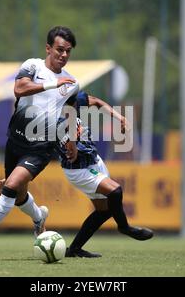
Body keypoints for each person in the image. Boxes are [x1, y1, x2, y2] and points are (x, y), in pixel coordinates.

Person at [0, 26, 79, 248]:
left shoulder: (72, 83)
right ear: (48, 48)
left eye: (68, 51)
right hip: (15, 141)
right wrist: (53, 83)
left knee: (12, 185)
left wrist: (71, 141)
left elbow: (70, 113)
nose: (64, 55)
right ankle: (38, 217)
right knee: (18, 195)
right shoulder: (32, 65)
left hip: (42, 147)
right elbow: (19, 89)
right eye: (60, 49)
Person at [57, 91, 154, 257]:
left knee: (105, 209)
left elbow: (97, 101)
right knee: (115, 191)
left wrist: (120, 118)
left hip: (94, 161)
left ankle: (74, 250)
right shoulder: (50, 115)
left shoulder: (76, 100)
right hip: (78, 169)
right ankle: (124, 227)